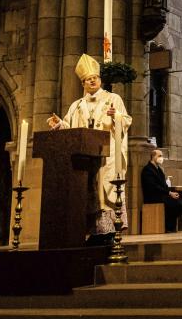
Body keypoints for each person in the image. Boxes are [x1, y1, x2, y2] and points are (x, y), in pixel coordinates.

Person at [47, 53, 132, 244]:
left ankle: (109, 233)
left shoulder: (113, 99)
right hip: (86, 158)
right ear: (83, 83)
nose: (92, 81)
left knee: (105, 192)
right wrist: (60, 125)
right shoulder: (76, 106)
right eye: (88, 79)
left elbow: (125, 121)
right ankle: (93, 233)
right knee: (88, 193)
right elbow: (71, 130)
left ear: (100, 80)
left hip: (106, 156)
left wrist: (116, 116)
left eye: (95, 78)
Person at [141, 148, 182, 232]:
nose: (162, 158)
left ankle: (169, 226)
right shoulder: (147, 169)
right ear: (153, 156)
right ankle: (168, 226)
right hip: (153, 197)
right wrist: (169, 193)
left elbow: (164, 185)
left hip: (162, 195)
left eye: (162, 156)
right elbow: (153, 186)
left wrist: (171, 193)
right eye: (160, 156)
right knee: (175, 204)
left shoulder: (159, 170)